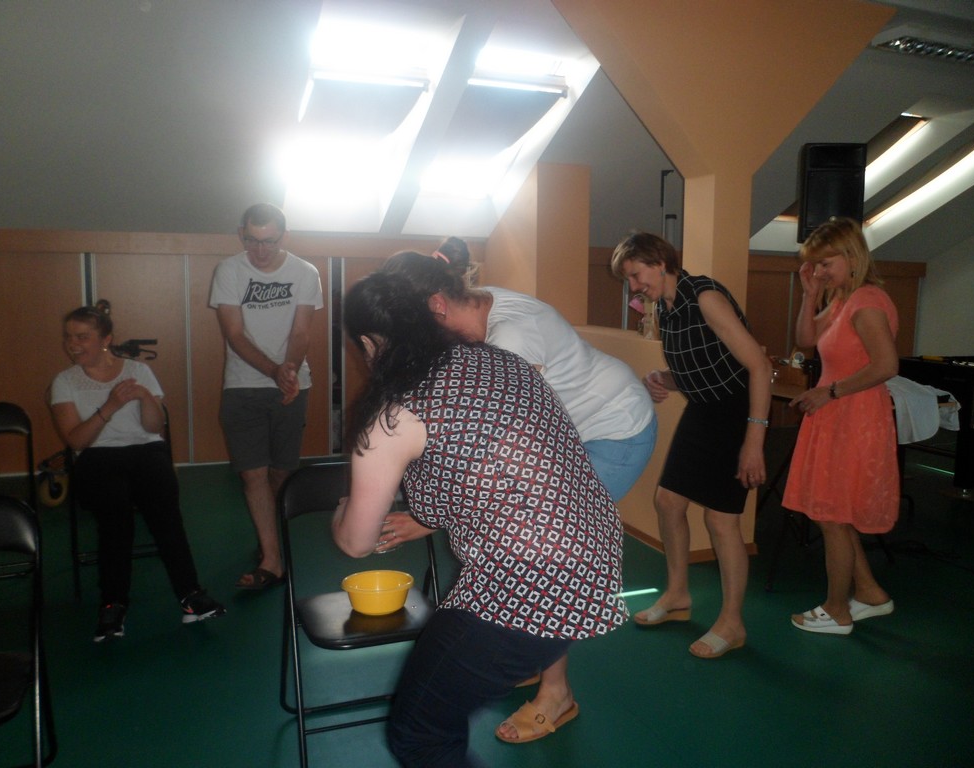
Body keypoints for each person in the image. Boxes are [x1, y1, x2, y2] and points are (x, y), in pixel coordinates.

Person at [332, 271, 627, 766]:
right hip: (593, 555)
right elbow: (469, 480)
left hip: (530, 583)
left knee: (419, 734)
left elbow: (357, 543)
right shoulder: (501, 361)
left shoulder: (394, 416)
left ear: (368, 343)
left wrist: (343, 512)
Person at [379, 250, 657, 740]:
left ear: (438, 304)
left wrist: (429, 517)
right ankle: (529, 650)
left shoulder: (510, 339)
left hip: (613, 429)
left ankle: (557, 692)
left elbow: (499, 450)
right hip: (573, 432)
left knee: (543, 556)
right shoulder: (480, 305)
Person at [611, 231, 771, 659]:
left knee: (722, 521)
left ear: (660, 262)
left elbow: (758, 366)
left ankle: (732, 623)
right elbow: (699, 367)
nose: (633, 287)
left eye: (636, 275)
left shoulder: (705, 298)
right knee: (668, 502)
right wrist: (662, 378)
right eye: (629, 279)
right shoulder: (666, 309)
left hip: (738, 411)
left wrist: (754, 440)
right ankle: (678, 595)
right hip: (703, 411)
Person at [49, 301, 225, 642]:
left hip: (145, 449)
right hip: (96, 455)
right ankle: (113, 603)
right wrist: (110, 406)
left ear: (105, 340)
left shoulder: (138, 371)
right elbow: (76, 440)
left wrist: (146, 398)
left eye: (82, 337)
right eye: (68, 337)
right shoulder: (64, 381)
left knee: (165, 511)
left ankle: (191, 596)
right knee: (114, 516)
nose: (73, 344)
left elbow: (154, 427)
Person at [782, 218, 899, 635]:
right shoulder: (842, 300)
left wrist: (829, 392)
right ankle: (868, 592)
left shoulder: (867, 302)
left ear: (852, 256)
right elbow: (805, 340)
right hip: (838, 414)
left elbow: (886, 366)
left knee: (833, 517)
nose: (819, 271)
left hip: (854, 416)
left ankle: (837, 610)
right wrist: (810, 294)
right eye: (814, 265)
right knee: (834, 513)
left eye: (825, 264)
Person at [209, 203, 323, 589]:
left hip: (292, 385)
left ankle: (269, 538)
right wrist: (274, 371)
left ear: (284, 237)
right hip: (242, 386)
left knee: (281, 471)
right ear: (241, 234)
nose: (260, 250)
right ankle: (272, 560)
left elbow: (302, 331)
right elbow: (234, 334)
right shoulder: (228, 270)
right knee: (253, 473)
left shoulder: (305, 272)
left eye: (269, 241)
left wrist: (289, 370)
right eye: (252, 241)